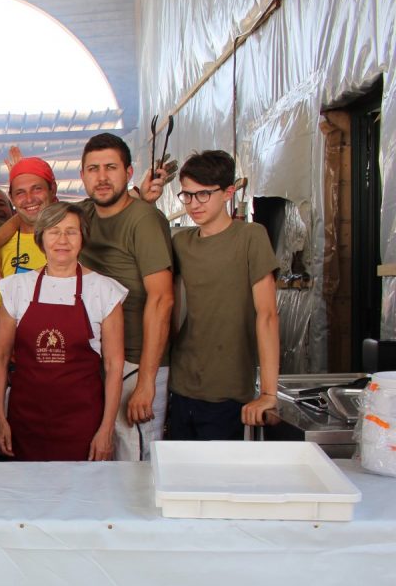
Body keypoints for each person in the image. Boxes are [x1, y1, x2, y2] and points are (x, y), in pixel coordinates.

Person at [0, 203, 126, 462]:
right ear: (41, 238)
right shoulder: (16, 287)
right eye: (54, 232)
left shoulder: (105, 290)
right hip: (25, 419)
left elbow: (114, 365)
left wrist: (106, 429)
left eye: (71, 232)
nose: (62, 240)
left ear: (83, 238)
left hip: (82, 422)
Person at [168, 149, 280, 439]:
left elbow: (267, 315)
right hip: (181, 382)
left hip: (228, 387)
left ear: (228, 193)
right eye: (187, 195)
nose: (194, 204)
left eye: (203, 194)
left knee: (219, 467)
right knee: (177, 465)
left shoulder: (250, 237)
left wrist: (269, 393)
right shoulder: (181, 243)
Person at [75, 133, 174, 460]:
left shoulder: (144, 220)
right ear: (82, 176)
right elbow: (34, 215)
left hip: (136, 360)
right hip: (98, 358)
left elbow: (162, 299)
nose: (102, 177)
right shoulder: (83, 215)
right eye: (93, 169)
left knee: (135, 459)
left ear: (128, 172)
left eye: (111, 168)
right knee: (101, 455)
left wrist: (146, 381)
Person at [0, 158, 57, 420]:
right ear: (12, 199)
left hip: (62, 373)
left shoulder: (70, 238)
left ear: (53, 190)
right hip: (14, 374)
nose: (29, 198)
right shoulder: (1, 250)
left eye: (37, 189)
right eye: (20, 192)